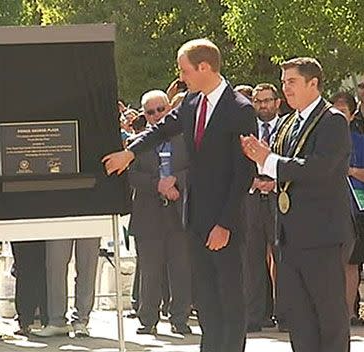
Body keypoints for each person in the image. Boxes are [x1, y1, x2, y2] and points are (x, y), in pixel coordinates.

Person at [103, 38, 255, 352]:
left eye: (185, 70)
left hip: (224, 221)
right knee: (206, 296)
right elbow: (160, 129)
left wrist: (224, 224)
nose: (181, 77)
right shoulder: (190, 103)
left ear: (205, 68)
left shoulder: (239, 109)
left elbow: (243, 173)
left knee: (229, 295)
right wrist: (129, 154)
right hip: (196, 217)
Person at [242, 57, 353, 352]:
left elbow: (321, 168)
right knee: (300, 318)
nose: (285, 88)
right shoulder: (289, 123)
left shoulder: (332, 120)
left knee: (328, 315)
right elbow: (278, 167)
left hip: (323, 235)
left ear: (313, 83)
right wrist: (262, 166)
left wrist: (269, 161)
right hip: (289, 234)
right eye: (283, 82)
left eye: (291, 82)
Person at [128, 90, 192, 335]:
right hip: (149, 215)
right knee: (150, 270)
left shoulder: (184, 140)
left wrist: (176, 181)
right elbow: (131, 176)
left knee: (181, 268)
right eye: (150, 112)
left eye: (160, 110)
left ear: (169, 110)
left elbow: (196, 169)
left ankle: (179, 319)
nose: (156, 115)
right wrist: (157, 184)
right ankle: (148, 319)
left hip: (180, 213)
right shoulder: (138, 144)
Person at [244, 83, 281, 333]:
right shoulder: (245, 130)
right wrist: (253, 181)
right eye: (258, 101)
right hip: (252, 196)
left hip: (281, 197)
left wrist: (277, 182)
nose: (263, 106)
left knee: (283, 258)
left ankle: (286, 315)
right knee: (252, 258)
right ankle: (254, 317)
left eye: (267, 101)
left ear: (277, 102)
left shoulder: (289, 127)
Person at [330, 91, 364, 326]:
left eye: (343, 112)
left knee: (351, 262)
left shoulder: (360, 141)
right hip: (327, 208)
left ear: (352, 115)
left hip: (356, 208)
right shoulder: (323, 137)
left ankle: (349, 311)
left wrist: (349, 171)